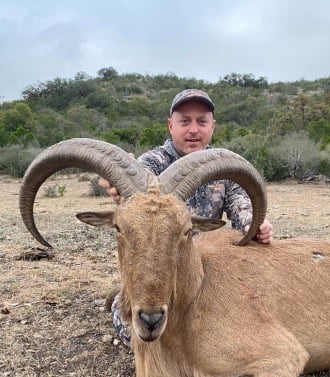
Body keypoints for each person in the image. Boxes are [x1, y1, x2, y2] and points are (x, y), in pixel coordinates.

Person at [99, 89, 273, 345]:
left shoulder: (224, 165)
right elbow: (138, 193)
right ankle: (129, 294)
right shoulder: (154, 163)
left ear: (212, 126)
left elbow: (242, 205)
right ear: (171, 125)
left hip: (207, 268)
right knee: (131, 330)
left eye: (201, 121)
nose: (193, 129)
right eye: (184, 121)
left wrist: (256, 225)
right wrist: (121, 189)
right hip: (158, 265)